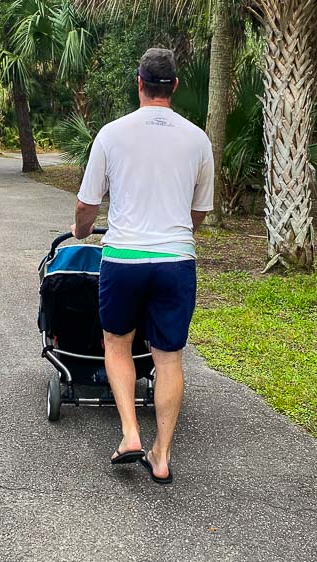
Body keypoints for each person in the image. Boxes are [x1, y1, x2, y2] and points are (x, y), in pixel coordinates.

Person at [73, 47, 214, 485]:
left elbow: (87, 203)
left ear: (139, 82)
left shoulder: (112, 134)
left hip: (124, 259)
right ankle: (162, 455)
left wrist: (81, 231)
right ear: (173, 86)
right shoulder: (197, 139)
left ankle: (131, 433)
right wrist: (176, 230)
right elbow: (199, 212)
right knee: (168, 357)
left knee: (116, 342)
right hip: (175, 260)